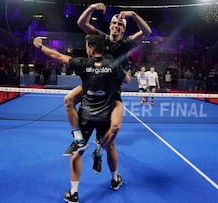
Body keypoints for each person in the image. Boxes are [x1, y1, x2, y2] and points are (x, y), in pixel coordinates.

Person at [33, 34, 130, 203]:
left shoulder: (83, 64)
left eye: (87, 46)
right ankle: (114, 179)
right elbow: (127, 79)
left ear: (91, 49)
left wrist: (40, 46)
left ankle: (74, 192)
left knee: (77, 153)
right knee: (111, 147)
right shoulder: (114, 65)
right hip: (105, 117)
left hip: (85, 117)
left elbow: (57, 56)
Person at [63, 2, 152, 156]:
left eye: (120, 24)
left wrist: (133, 15)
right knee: (69, 99)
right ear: (110, 25)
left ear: (123, 29)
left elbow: (147, 31)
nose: (116, 25)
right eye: (114, 23)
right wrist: (91, 7)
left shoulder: (127, 42)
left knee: (110, 129)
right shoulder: (101, 37)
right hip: (93, 84)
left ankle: (99, 151)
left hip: (112, 89)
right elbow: (81, 23)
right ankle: (78, 138)